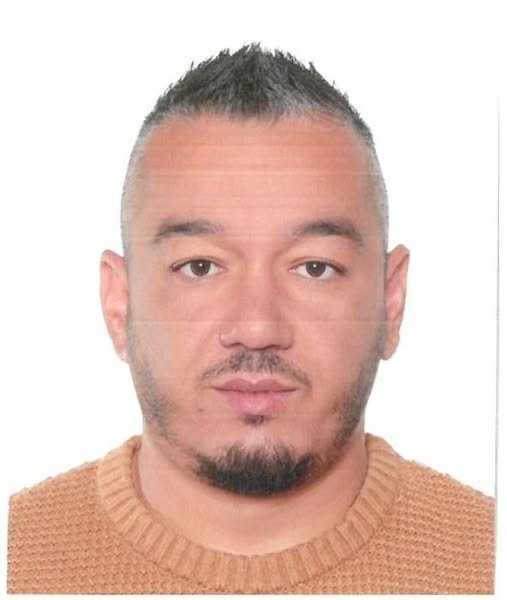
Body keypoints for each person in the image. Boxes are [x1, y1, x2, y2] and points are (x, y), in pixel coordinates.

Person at [7, 44, 495, 594]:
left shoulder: (486, 563)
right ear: (119, 304)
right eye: (200, 267)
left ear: (391, 300)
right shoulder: (16, 561)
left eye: (314, 268)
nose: (258, 328)